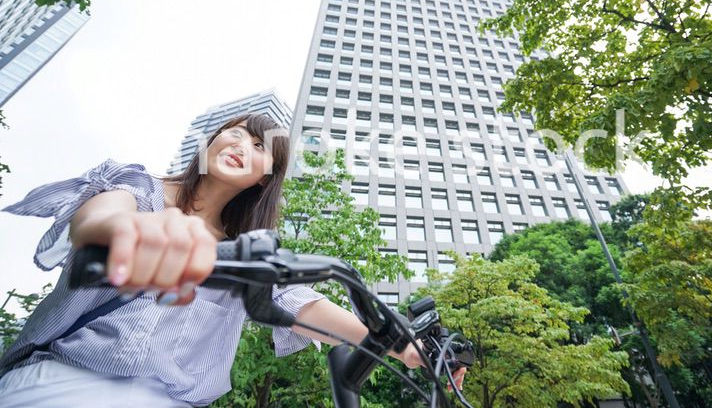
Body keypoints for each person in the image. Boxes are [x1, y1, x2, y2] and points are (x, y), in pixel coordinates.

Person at [0, 114, 464, 407]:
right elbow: (98, 220)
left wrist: (401, 345)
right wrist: (141, 230)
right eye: (236, 132)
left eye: (260, 146)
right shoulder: (139, 188)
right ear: (212, 142)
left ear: (264, 179)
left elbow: (300, 303)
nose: (243, 144)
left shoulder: (249, 250)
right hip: (64, 380)